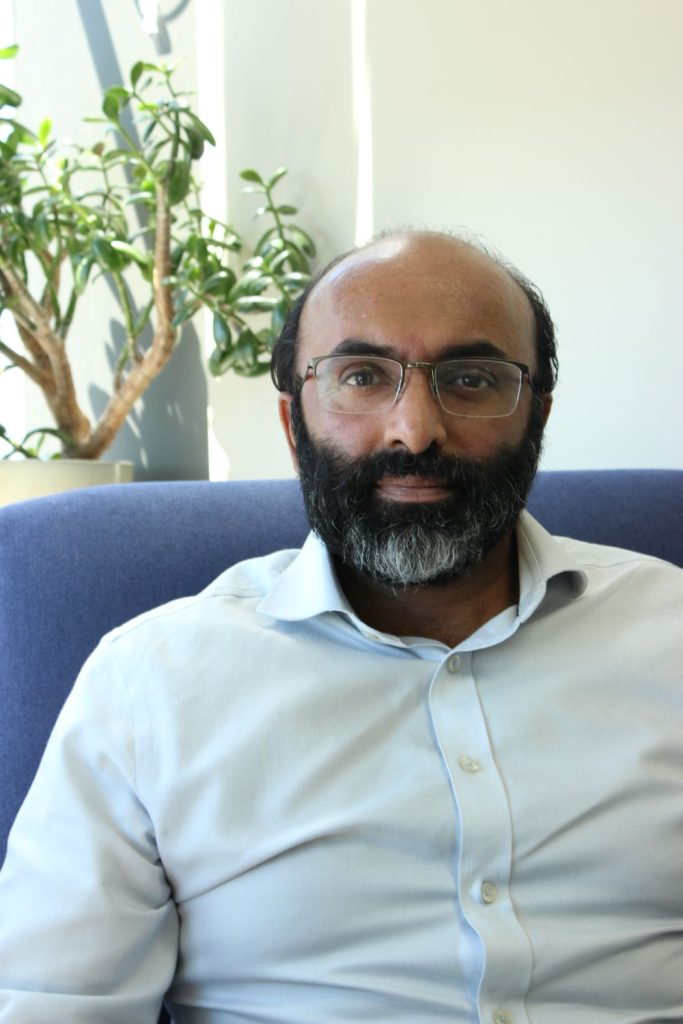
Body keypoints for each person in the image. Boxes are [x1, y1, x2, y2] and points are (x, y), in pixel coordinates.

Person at [0, 230, 681, 1024]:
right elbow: (53, 1006)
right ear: (294, 426)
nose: (414, 430)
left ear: (536, 417)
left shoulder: (668, 634)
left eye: (470, 378)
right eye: (361, 376)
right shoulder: (149, 680)